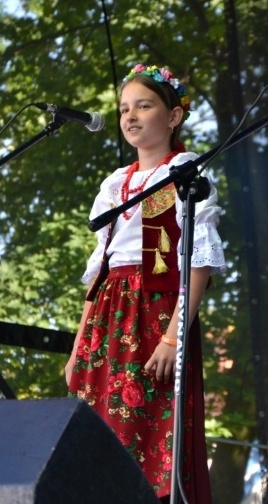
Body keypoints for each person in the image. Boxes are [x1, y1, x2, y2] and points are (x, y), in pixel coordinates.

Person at [66, 63, 225, 503]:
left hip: (155, 312)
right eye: (124, 109)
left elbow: (199, 263)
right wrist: (79, 346)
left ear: (173, 116)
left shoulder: (185, 172)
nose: (130, 116)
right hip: (108, 315)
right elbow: (99, 269)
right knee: (97, 434)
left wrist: (173, 337)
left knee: (148, 434)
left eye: (144, 106)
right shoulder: (115, 183)